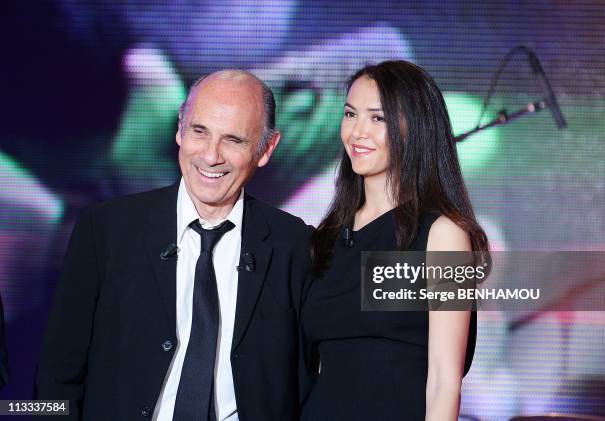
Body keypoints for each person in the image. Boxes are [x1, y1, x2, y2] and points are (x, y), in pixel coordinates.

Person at [36, 70, 311, 421]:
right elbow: (57, 374)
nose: (211, 156)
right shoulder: (106, 230)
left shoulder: (294, 245)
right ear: (180, 128)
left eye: (234, 140)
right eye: (199, 131)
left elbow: (306, 385)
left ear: (266, 148)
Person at [300, 60, 489, 420]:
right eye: (350, 114)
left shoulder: (444, 235)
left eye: (377, 118)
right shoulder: (326, 238)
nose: (357, 132)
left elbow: (444, 382)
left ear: (414, 128)